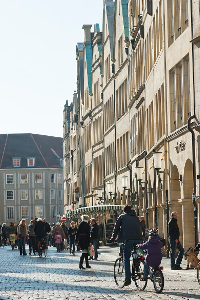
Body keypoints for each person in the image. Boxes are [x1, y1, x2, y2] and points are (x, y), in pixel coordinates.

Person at [110, 205, 143, 287]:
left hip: (128, 239)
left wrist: (112, 238)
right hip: (139, 239)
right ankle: (138, 267)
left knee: (126, 258)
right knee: (139, 254)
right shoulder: (136, 217)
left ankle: (127, 278)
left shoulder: (122, 216)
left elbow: (116, 228)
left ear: (124, 210)